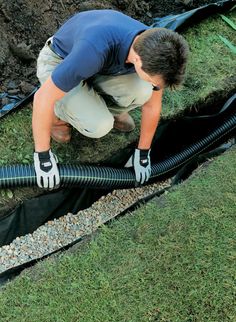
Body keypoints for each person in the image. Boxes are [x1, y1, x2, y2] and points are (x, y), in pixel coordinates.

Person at [33, 9, 189, 189]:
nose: (154, 86)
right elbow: (42, 98)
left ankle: (94, 102)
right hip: (59, 61)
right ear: (137, 61)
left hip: (99, 67)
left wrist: (143, 152)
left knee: (143, 90)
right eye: (153, 81)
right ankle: (57, 118)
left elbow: (152, 105)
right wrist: (43, 157)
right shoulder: (94, 50)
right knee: (99, 125)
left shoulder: (152, 45)